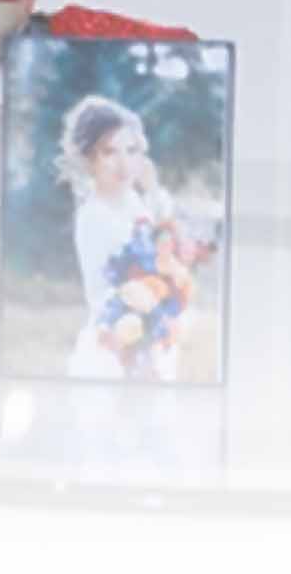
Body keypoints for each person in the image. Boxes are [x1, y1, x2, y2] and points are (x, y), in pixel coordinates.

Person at [58, 96, 187, 382]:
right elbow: (101, 295)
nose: (123, 163)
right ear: (90, 159)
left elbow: (169, 248)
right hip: (115, 340)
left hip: (151, 335)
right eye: (109, 152)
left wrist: (153, 189)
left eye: (131, 150)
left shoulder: (135, 202)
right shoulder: (93, 215)